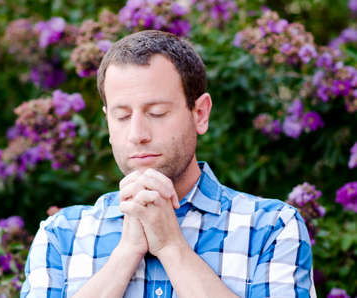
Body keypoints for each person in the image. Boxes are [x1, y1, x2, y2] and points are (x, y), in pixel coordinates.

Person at [20, 30, 316, 298]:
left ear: (200, 114)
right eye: (122, 116)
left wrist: (172, 248)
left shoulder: (272, 227)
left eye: (157, 113)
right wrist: (125, 255)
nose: (137, 135)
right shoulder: (61, 235)